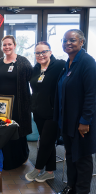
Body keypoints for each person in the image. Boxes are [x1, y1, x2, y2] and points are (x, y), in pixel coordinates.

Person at [53, 29, 96, 194]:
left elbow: (92, 95)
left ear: (82, 42)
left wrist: (85, 121)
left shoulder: (87, 62)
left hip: (82, 123)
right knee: (70, 155)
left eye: (72, 40)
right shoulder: (68, 63)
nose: (68, 43)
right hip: (68, 121)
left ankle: (82, 190)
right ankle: (71, 187)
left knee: (83, 157)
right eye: (65, 41)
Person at [25, 42, 65, 182]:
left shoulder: (59, 65)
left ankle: (37, 168)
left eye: (44, 52)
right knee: (48, 142)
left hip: (53, 113)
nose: (41, 55)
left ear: (50, 52)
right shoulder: (36, 68)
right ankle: (49, 171)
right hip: (38, 111)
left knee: (45, 142)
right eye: (37, 53)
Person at [0, 35, 32, 170]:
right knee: (5, 130)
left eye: (9, 44)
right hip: (3, 104)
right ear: (2, 47)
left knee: (17, 130)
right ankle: (6, 159)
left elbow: (31, 80)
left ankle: (20, 158)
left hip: (19, 104)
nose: (7, 47)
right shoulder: (0, 61)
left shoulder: (22, 61)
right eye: (4, 45)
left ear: (15, 45)